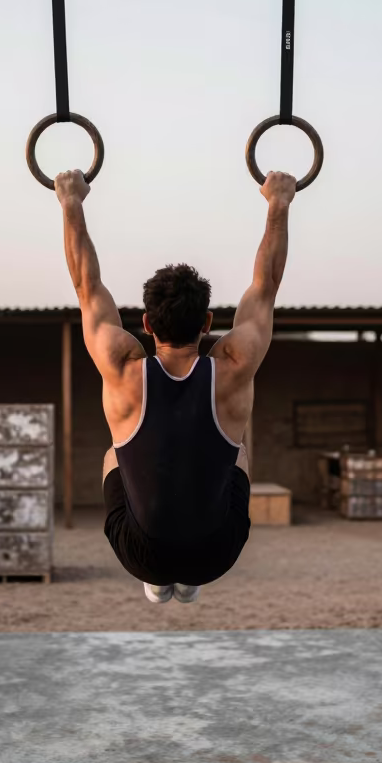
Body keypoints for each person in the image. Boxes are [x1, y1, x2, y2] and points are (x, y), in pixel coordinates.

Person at [55, 167, 297, 603]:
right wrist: (278, 204)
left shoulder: (123, 369)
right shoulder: (234, 365)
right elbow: (266, 286)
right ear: (207, 323)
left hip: (140, 554)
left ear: (145, 324)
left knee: (115, 453)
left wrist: (71, 202)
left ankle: (159, 579)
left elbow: (85, 286)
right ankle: (191, 579)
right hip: (217, 554)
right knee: (237, 450)